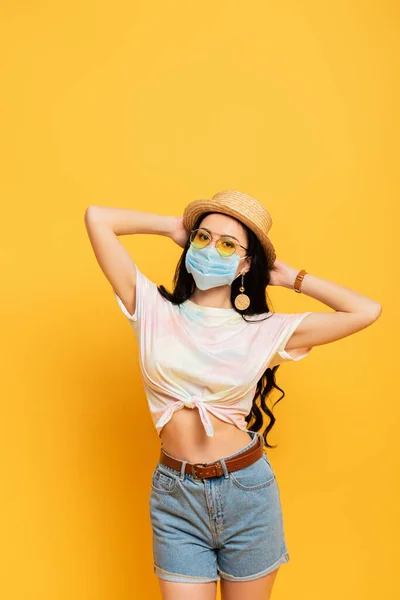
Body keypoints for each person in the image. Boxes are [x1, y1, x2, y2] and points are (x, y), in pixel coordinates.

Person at [84, 189, 382, 600]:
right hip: (176, 495)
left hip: (246, 492)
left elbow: (366, 310)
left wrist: (291, 277)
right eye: (203, 238)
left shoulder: (266, 329)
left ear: (245, 263)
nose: (210, 249)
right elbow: (97, 217)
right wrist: (175, 227)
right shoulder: (152, 307)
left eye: (227, 244)